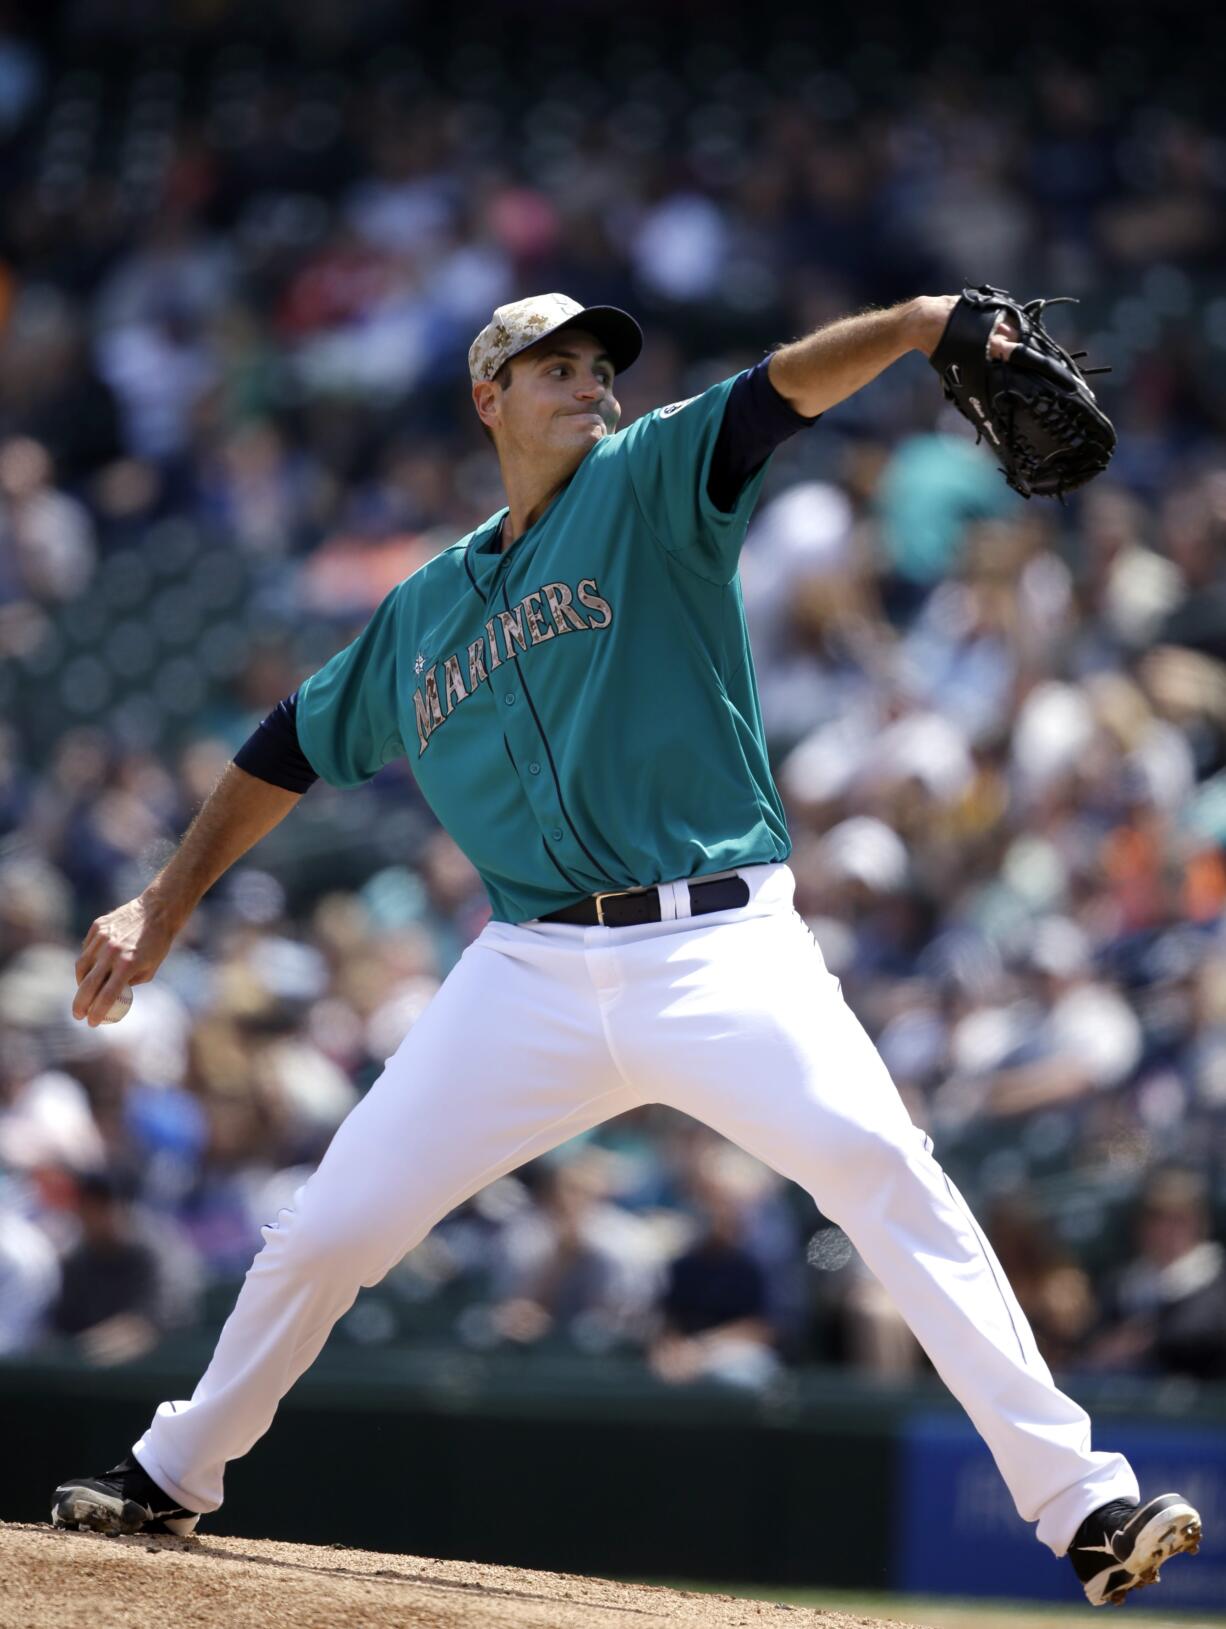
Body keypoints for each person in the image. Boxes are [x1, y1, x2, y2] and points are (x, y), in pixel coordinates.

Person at [54, 291, 1201, 1607]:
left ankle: (1082, 1503)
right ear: (487, 398)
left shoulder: (650, 478)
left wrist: (912, 326)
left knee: (884, 1167)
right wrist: (164, 900)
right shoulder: (423, 609)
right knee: (327, 1229)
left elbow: (776, 392)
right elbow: (284, 746)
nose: (587, 382)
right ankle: (175, 1467)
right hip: (527, 970)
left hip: (718, 944)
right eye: (553, 366)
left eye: (597, 363)